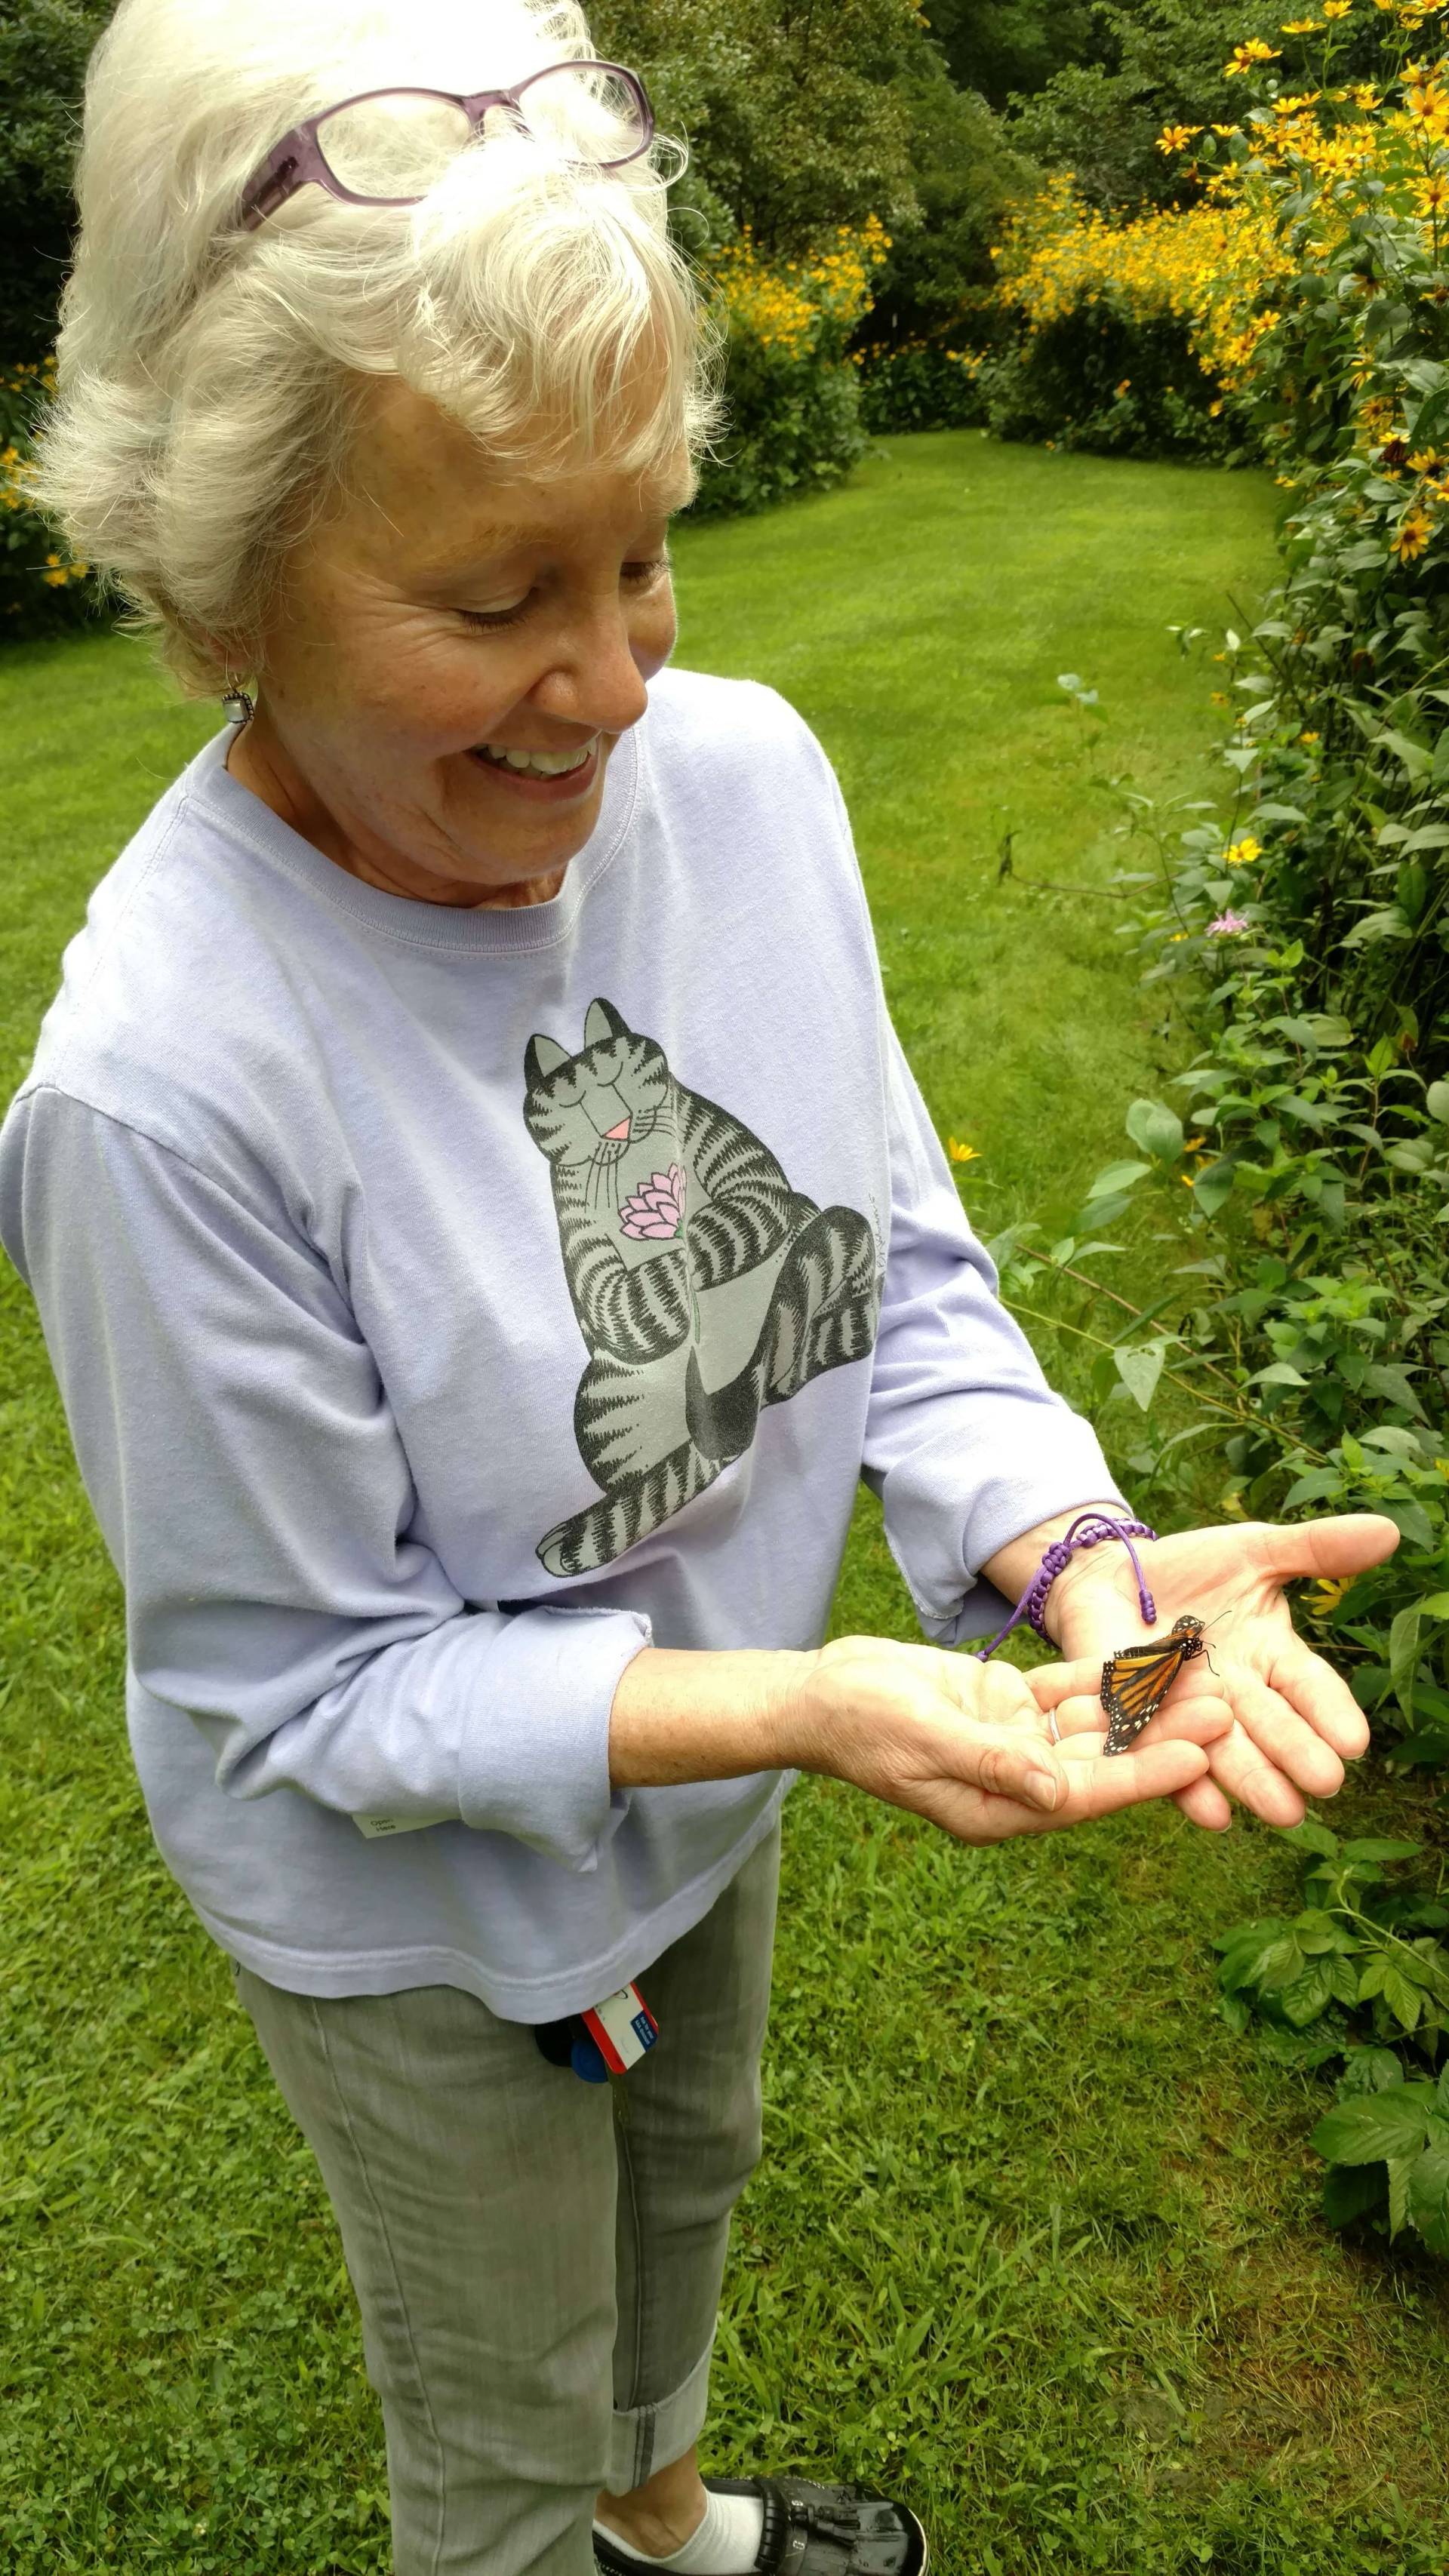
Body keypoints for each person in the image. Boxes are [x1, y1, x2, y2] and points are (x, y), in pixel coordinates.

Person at [0, 2, 1396, 2570]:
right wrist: (809, 1699)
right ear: (218, 591)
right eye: (496, 596)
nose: (618, 682)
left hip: (706, 1785)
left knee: (687, 2181)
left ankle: (676, 2526)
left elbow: (897, 1277)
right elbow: (304, 1690)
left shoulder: (740, 781)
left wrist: (1074, 1565)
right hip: (415, 1911)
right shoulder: (164, 1091)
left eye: (642, 555)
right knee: (496, 2416)